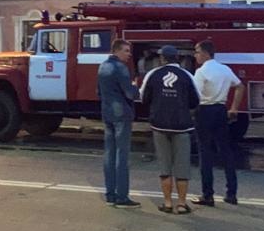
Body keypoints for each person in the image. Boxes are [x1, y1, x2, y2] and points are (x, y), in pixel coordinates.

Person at [141, 45, 200, 214]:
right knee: (182, 167)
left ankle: (167, 203)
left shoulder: (153, 75)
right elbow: (196, 100)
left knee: (165, 166)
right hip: (182, 126)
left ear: (162, 59)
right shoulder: (187, 75)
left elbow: (144, 97)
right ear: (178, 58)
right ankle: (181, 204)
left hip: (159, 125)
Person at [192, 40, 245, 206]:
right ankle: (232, 193)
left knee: (205, 153)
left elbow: (195, 95)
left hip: (205, 111)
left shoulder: (201, 72)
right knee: (226, 151)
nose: (195, 55)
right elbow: (240, 86)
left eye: (197, 52)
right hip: (221, 110)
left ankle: (208, 195)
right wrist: (234, 108)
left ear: (206, 53)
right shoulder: (225, 69)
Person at [98, 38, 140, 209]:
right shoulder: (120, 68)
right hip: (121, 114)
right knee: (122, 156)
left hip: (107, 113)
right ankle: (122, 197)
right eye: (126, 51)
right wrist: (136, 86)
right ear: (116, 51)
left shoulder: (103, 66)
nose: (129, 55)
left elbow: (98, 91)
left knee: (109, 154)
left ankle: (110, 194)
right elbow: (130, 94)